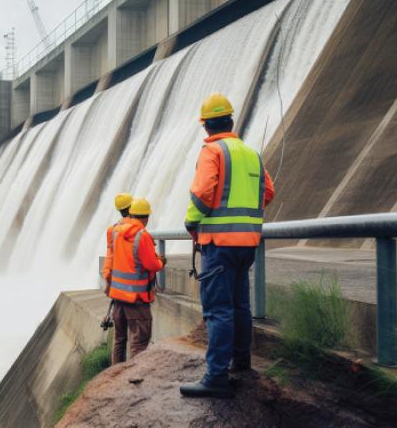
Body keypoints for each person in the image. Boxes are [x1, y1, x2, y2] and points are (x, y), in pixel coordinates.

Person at [180, 93, 275, 398]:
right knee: (240, 306)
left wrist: (191, 222)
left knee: (218, 311)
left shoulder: (212, 151)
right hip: (247, 244)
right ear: (231, 121)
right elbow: (268, 191)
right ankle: (242, 362)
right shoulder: (250, 154)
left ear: (205, 125)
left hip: (219, 245)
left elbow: (202, 193)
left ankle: (216, 377)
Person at [109, 197, 166, 365]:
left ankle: (114, 375)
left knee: (120, 339)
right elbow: (151, 264)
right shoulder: (142, 236)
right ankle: (134, 379)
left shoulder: (117, 232)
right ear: (145, 217)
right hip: (137, 299)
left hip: (118, 296)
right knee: (139, 343)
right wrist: (161, 261)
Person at [101, 193, 133, 292]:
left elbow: (110, 256)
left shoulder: (112, 230)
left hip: (118, 282)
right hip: (136, 284)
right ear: (132, 207)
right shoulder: (137, 228)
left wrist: (107, 276)